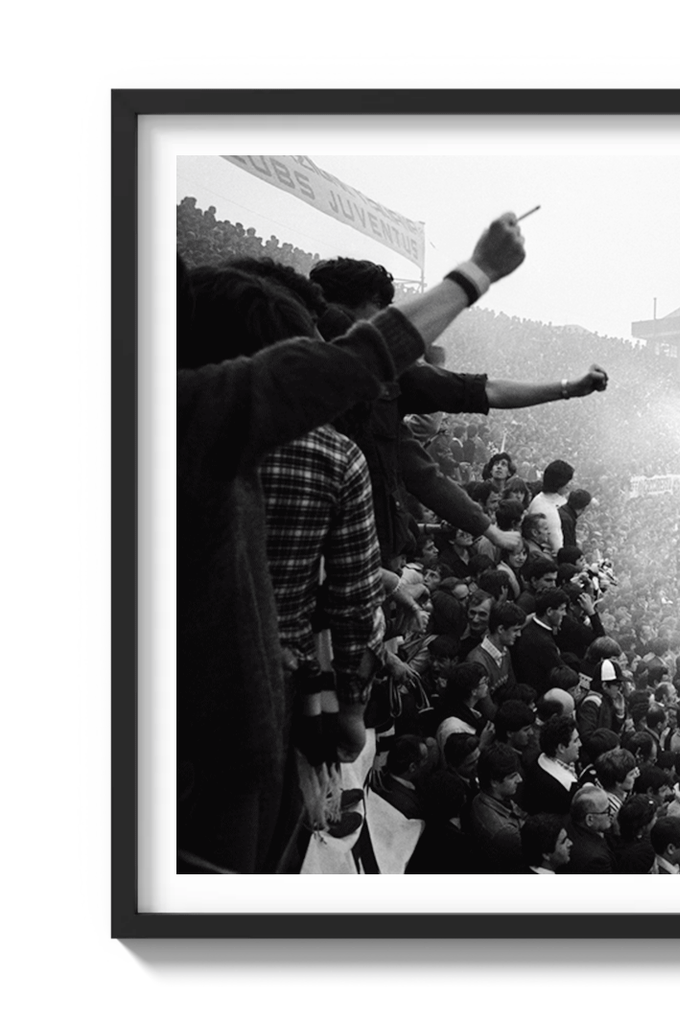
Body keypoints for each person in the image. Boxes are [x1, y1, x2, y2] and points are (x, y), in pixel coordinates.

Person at [177, 209, 524, 874]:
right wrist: (475, 272)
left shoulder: (215, 452)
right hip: (216, 765)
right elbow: (338, 600)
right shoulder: (201, 427)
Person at [526, 460, 574, 554]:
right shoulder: (549, 511)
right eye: (568, 482)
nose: (569, 486)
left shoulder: (539, 498)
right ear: (559, 484)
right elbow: (558, 549)